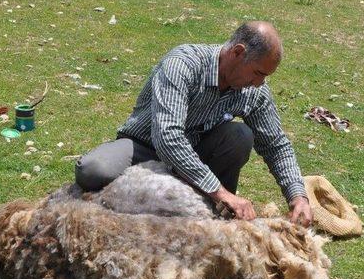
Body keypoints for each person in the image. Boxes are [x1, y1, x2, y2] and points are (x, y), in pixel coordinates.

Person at [75, 21, 312, 226]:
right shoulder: (183, 64)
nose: (260, 83)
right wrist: (221, 192)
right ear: (238, 53)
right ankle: (214, 197)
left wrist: (298, 197)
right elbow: (168, 137)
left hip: (197, 152)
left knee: (240, 135)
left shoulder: (253, 91)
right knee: (93, 169)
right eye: (258, 73)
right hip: (146, 148)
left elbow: (275, 145)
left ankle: (211, 209)